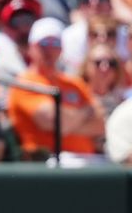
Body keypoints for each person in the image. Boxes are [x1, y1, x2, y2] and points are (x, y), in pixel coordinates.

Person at [7, 17, 105, 161]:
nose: (50, 49)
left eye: (56, 43)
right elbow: (55, 122)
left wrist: (67, 122)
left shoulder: (74, 82)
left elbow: (100, 124)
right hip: (47, 161)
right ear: (31, 47)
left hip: (88, 159)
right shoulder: (25, 82)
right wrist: (85, 112)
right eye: (44, 43)